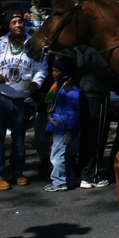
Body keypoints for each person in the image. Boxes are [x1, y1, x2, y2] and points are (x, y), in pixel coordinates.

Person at [0, 8, 48, 190]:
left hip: (22, 100)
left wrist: (36, 82)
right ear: (8, 25)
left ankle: (17, 171)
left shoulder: (33, 46)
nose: (18, 25)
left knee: (19, 139)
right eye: (14, 22)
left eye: (20, 21)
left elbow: (42, 68)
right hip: (1, 98)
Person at [75, 45, 119, 188]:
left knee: (87, 137)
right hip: (98, 94)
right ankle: (90, 175)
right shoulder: (95, 49)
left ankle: (82, 171)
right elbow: (105, 72)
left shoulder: (78, 48)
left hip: (85, 93)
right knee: (97, 137)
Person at [44, 57, 81, 192]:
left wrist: (70, 130)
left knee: (57, 156)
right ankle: (69, 179)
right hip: (57, 126)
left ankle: (59, 181)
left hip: (63, 128)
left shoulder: (69, 90)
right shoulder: (58, 86)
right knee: (63, 155)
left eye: (56, 71)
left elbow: (74, 112)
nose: (53, 73)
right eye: (52, 70)